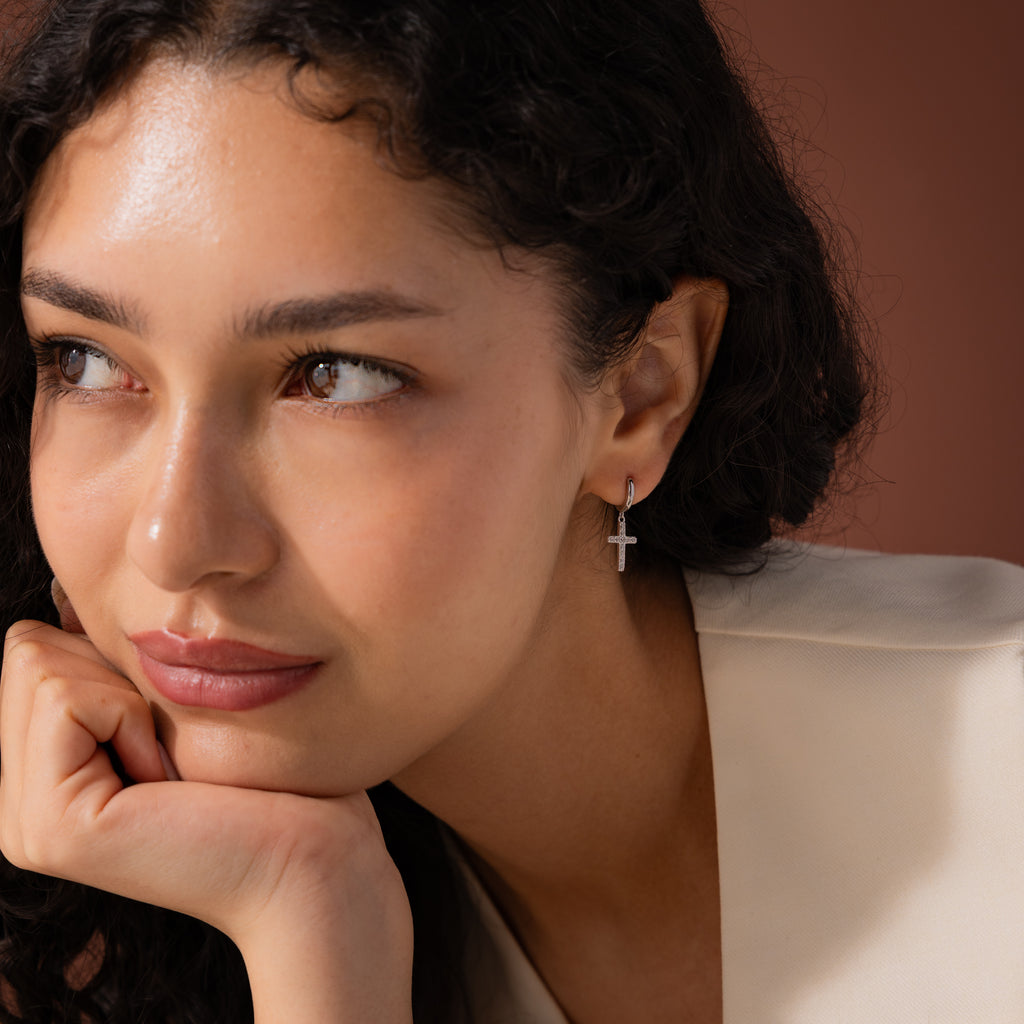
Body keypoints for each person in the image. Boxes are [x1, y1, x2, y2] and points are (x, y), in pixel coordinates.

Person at [0, 1, 1021, 1022]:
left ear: (643, 393)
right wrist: (304, 913)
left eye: (338, 375)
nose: (174, 541)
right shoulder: (246, 902)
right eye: (84, 363)